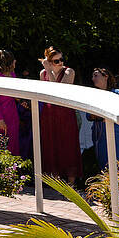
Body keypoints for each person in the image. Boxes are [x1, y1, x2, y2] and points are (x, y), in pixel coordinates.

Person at [37, 47, 82, 186]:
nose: (61, 62)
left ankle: (71, 182)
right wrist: (48, 71)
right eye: (57, 60)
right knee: (51, 144)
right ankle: (55, 181)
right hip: (49, 113)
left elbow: (58, 92)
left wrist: (50, 71)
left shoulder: (69, 72)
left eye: (62, 59)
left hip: (65, 113)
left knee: (68, 144)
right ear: (49, 61)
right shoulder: (42, 73)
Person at [89, 67, 119, 170]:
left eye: (96, 75)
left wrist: (101, 116)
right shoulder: (92, 94)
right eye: (93, 76)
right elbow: (89, 115)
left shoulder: (117, 93)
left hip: (117, 133)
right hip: (99, 134)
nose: (93, 78)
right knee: (103, 163)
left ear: (106, 77)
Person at [0, 50, 22, 157]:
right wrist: (0, 120)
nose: (15, 62)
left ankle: (14, 171)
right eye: (13, 61)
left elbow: (15, 95)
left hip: (12, 114)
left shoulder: (12, 75)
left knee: (13, 144)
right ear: (9, 62)